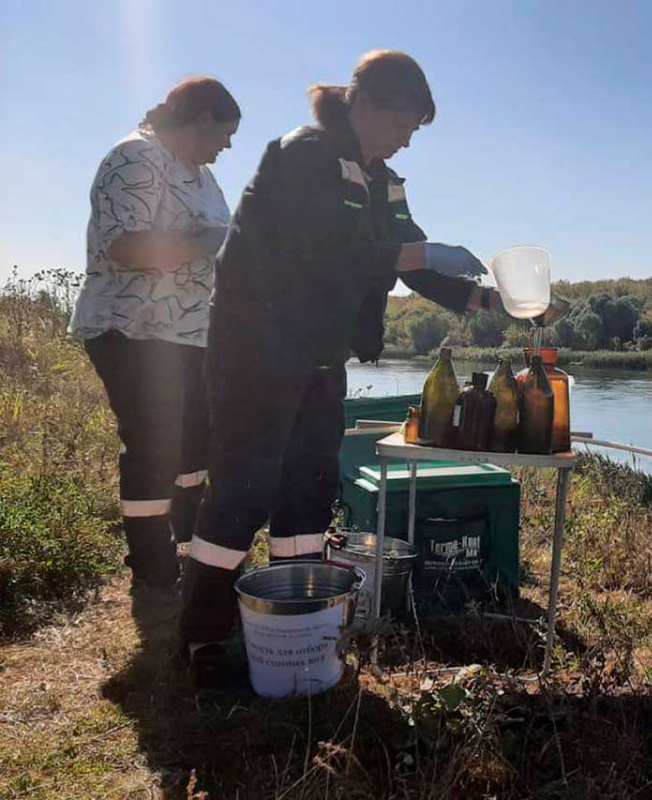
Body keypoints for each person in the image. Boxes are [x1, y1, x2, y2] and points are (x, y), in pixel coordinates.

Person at [178, 50, 520, 686]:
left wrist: (494, 302)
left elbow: (412, 264)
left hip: (318, 352)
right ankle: (201, 635)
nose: (406, 139)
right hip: (256, 344)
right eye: (403, 124)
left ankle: (296, 615)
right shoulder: (301, 153)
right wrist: (419, 248)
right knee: (246, 483)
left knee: (310, 485)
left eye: (416, 129)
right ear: (366, 104)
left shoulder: (384, 180)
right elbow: (327, 248)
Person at [71, 78, 240, 590]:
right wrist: (201, 242)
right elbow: (128, 247)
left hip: (189, 332)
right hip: (133, 327)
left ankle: (187, 545)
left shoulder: (199, 173)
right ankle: (151, 564)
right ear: (200, 120)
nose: (227, 146)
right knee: (152, 443)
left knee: (198, 439)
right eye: (225, 133)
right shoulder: (135, 157)